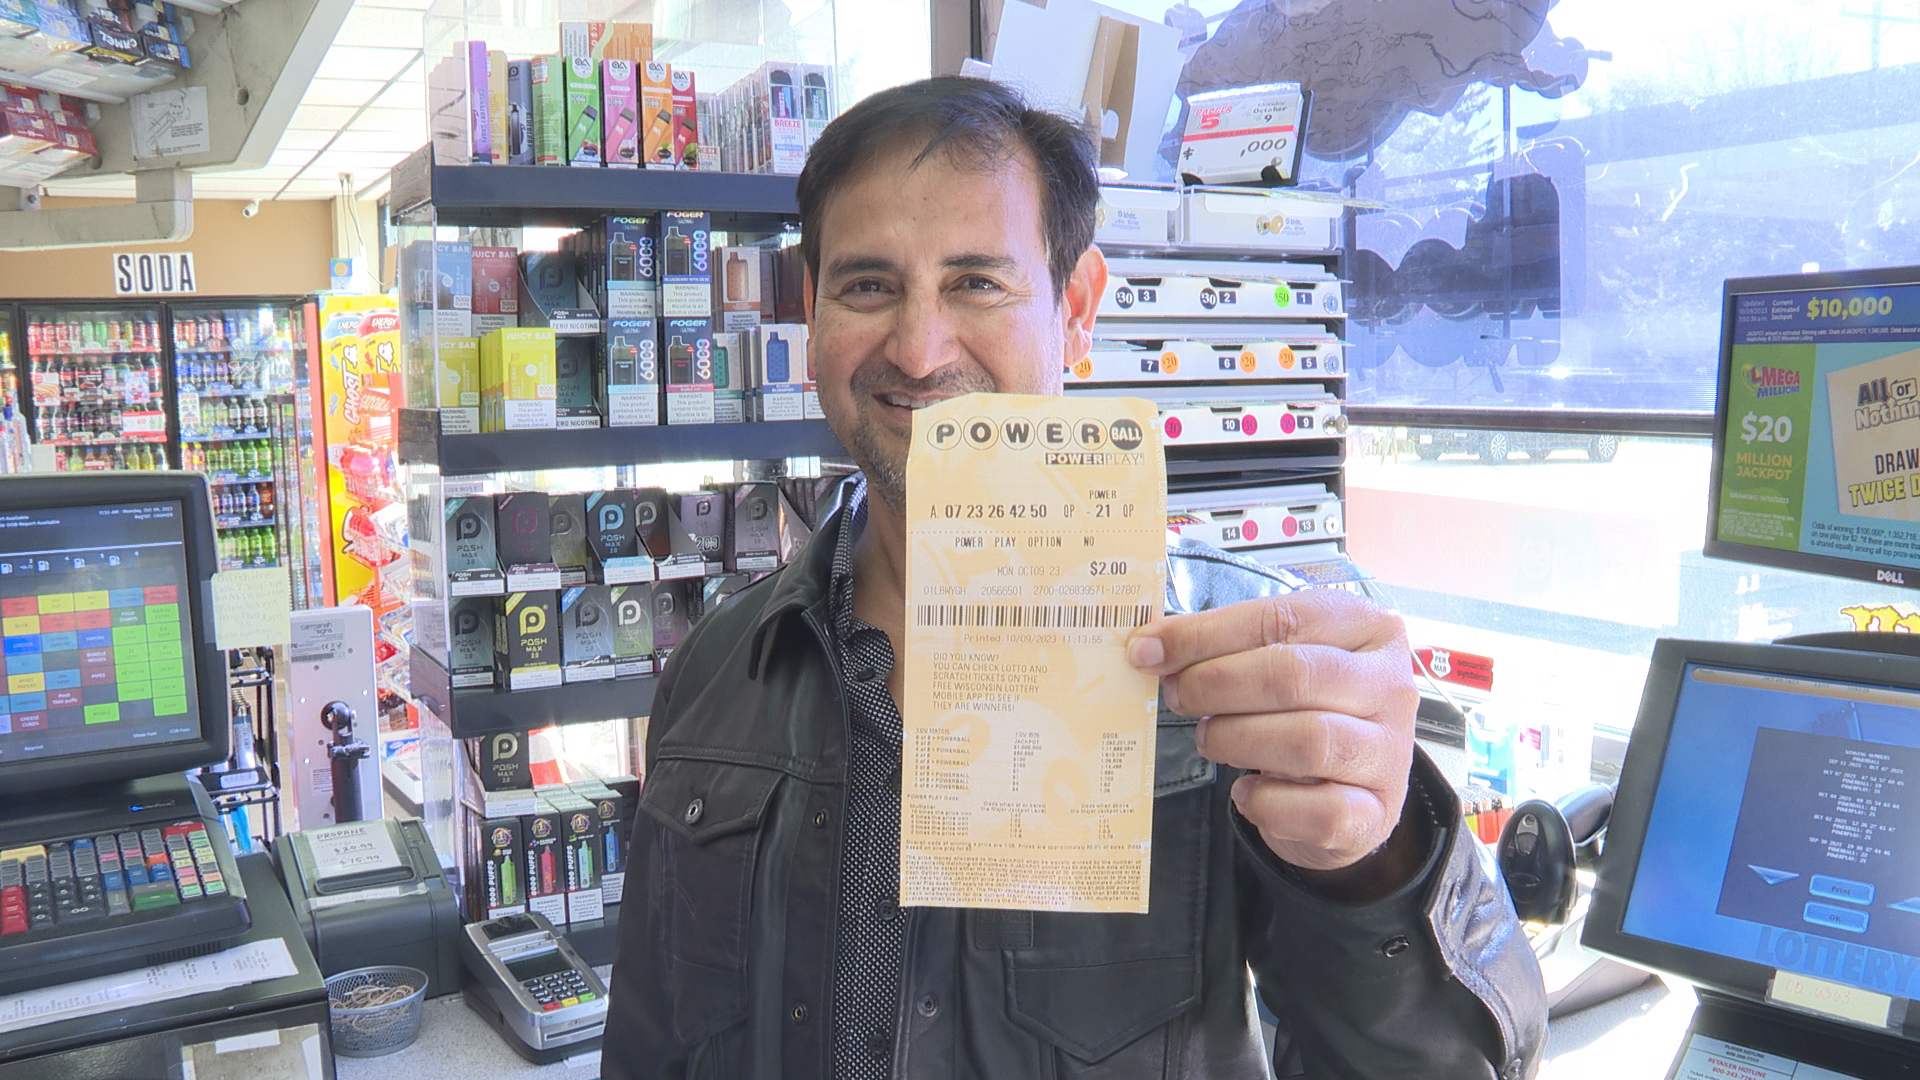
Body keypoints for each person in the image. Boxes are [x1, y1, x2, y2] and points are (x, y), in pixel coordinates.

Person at [603, 76, 1546, 1080]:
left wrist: (1374, 864)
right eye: (869, 285)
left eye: (976, 282)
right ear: (812, 309)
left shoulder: (1254, 671)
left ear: (1078, 309)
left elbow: (1455, 1064)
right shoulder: (715, 675)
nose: (919, 351)